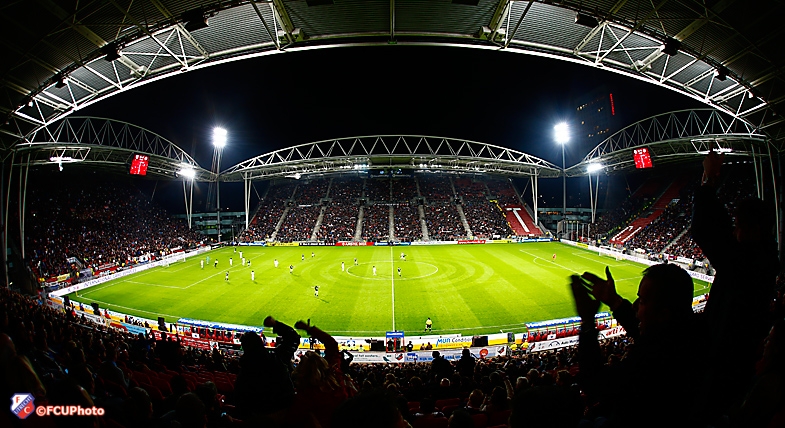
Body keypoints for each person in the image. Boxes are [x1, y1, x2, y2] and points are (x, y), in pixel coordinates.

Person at [692, 149, 780, 423]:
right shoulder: (767, 260)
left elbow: (704, 229)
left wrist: (709, 179)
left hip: (722, 368)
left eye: (738, 226)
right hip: (736, 366)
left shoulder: (745, 264)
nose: (734, 232)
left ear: (751, 229)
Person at [570, 264, 698, 427]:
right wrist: (614, 301)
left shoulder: (654, 362)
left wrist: (587, 322)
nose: (634, 305)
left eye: (643, 301)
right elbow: (648, 329)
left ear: (663, 315)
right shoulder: (683, 337)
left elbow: (595, 383)